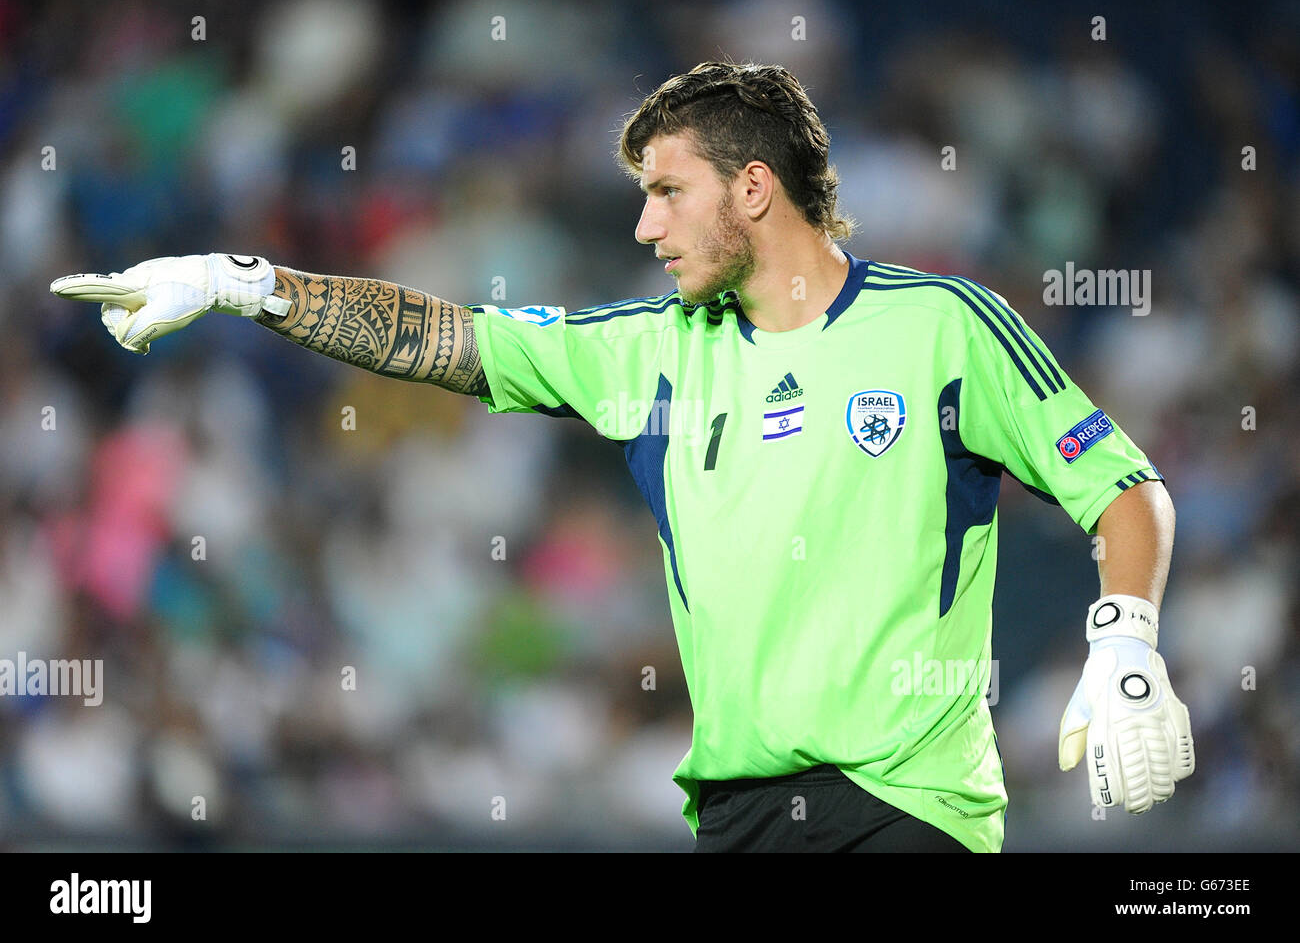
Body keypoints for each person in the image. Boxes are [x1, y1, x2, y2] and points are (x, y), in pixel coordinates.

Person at [51, 61, 1193, 853]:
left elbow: (1121, 486)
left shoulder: (943, 327)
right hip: (736, 815)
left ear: (755, 189)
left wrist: (1125, 643)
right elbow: (442, 337)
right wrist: (243, 284)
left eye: (666, 194)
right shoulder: (640, 352)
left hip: (908, 810)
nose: (643, 228)